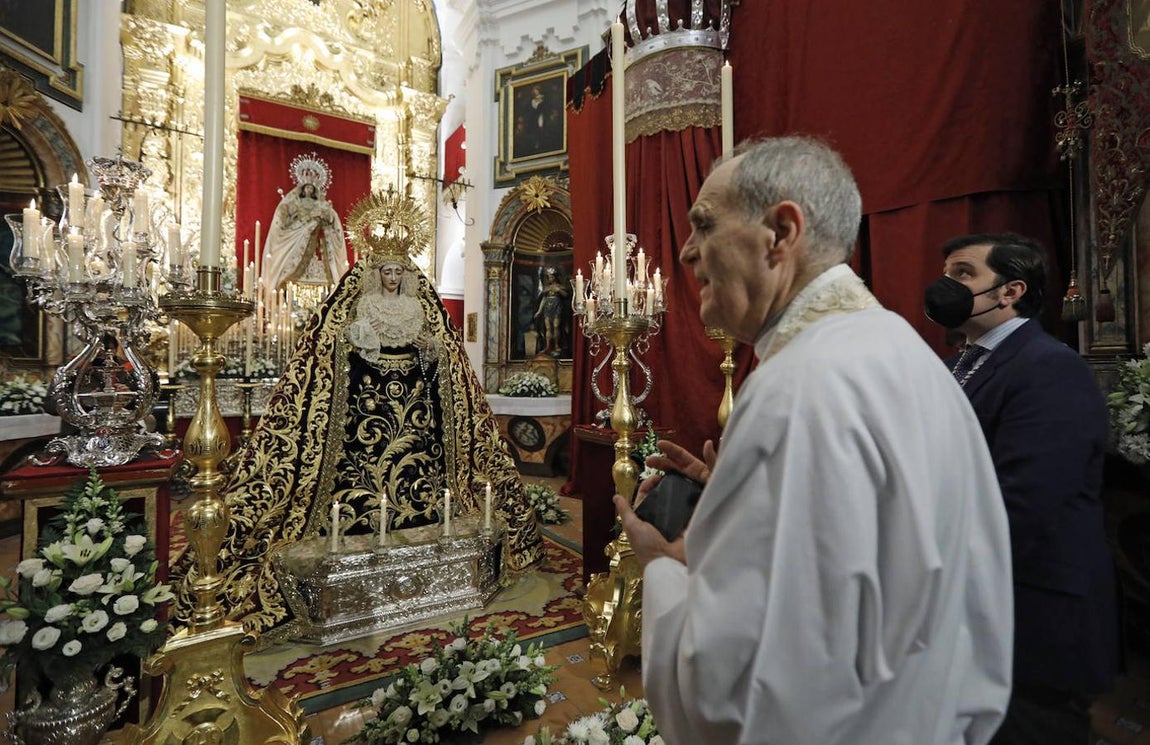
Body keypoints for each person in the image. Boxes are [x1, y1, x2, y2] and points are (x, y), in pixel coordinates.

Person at [613, 137, 1014, 745]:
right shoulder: (907, 352)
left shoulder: (795, 391)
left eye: (704, 224)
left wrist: (665, 571)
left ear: (780, 233)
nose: (689, 251)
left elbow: (732, 697)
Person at [171, 192, 544, 639]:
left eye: (397, 272)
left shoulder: (418, 306)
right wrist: (355, 339)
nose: (391, 277)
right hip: (365, 404)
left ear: (405, 276)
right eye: (385, 271)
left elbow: (437, 347)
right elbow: (336, 347)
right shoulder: (360, 304)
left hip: (417, 409)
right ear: (374, 273)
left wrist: (430, 348)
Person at [924, 232, 1120, 745]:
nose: (946, 284)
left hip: (1030, 616)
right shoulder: (953, 367)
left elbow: (1023, 505)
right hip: (972, 613)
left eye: (963, 273)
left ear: (1010, 291)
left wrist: (923, 571)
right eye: (946, 272)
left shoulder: (1049, 367)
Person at [261, 155, 349, 291]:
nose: (309, 190)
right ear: (302, 189)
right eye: (307, 188)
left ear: (315, 190)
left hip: (314, 234)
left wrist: (324, 215)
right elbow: (285, 211)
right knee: (288, 258)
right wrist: (286, 212)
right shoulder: (295, 201)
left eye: (311, 188)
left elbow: (331, 216)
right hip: (297, 232)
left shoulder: (321, 204)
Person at [533, 266, 568, 355]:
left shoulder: (559, 286)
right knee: (548, 327)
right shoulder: (546, 288)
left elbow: (565, 295)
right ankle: (548, 346)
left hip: (557, 306)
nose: (550, 279)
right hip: (548, 307)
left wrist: (559, 290)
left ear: (555, 277)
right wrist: (539, 311)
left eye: (552, 277)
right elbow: (543, 299)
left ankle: (556, 345)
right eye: (549, 277)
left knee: (556, 326)